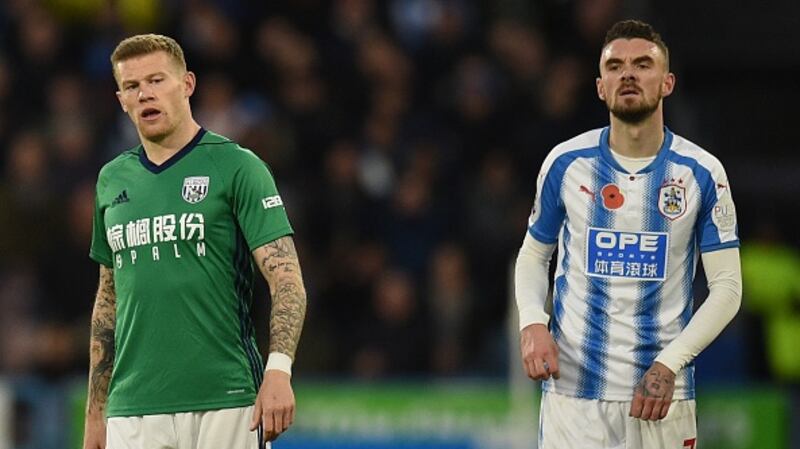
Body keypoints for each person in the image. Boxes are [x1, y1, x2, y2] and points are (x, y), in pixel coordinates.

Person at [514, 20, 741, 448]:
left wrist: (669, 365)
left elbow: (728, 288)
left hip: (659, 397)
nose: (629, 74)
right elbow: (533, 255)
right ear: (601, 86)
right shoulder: (566, 163)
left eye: (643, 64)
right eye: (615, 66)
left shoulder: (702, 173)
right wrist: (532, 322)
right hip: (573, 398)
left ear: (667, 82)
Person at [83, 34, 307, 449]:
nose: (145, 93)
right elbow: (108, 298)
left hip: (227, 399)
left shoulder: (237, 167)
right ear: (122, 100)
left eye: (156, 80)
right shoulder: (111, 180)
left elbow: (287, 279)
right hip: (133, 408)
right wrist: (96, 412)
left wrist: (279, 370)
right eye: (132, 86)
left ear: (187, 84)